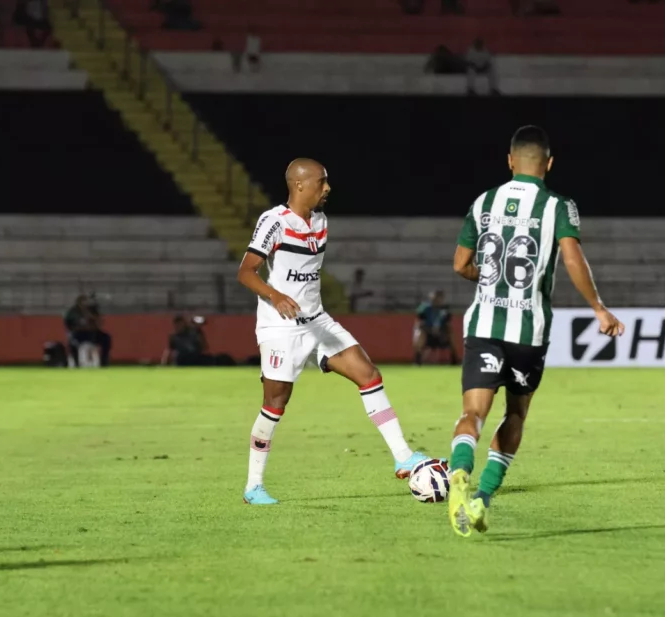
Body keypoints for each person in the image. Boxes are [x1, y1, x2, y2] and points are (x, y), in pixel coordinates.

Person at [445, 125, 625, 537]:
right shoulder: (558, 206)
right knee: (515, 413)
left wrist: (488, 279)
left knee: (472, 413)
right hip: (529, 331)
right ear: (549, 163)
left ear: (510, 161)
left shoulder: (484, 201)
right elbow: (573, 258)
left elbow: (460, 264)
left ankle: (459, 472)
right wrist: (598, 308)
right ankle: (482, 498)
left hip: (484, 324)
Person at [235, 158, 430, 505]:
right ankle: (253, 486)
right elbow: (246, 271)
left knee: (369, 374)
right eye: (321, 182)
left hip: (317, 320)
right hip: (281, 327)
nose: (327, 188)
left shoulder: (320, 220)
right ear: (299, 185)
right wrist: (275, 295)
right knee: (275, 403)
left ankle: (403, 456)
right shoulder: (274, 221)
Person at [64, 294, 112, 367]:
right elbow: (68, 325)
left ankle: (104, 361)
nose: (84, 303)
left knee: (106, 338)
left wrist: (89, 315)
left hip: (92, 333)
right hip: (78, 334)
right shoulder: (73, 312)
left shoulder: (92, 310)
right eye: (82, 301)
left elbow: (98, 322)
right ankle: (76, 362)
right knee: (72, 343)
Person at [414, 290, 459, 365]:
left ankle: (454, 358)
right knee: (420, 333)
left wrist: (443, 333)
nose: (437, 301)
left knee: (451, 334)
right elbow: (420, 324)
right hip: (428, 333)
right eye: (435, 299)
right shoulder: (425, 309)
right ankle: (418, 358)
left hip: (441, 334)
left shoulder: (445, 310)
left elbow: (448, 325)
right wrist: (430, 330)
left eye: (439, 298)